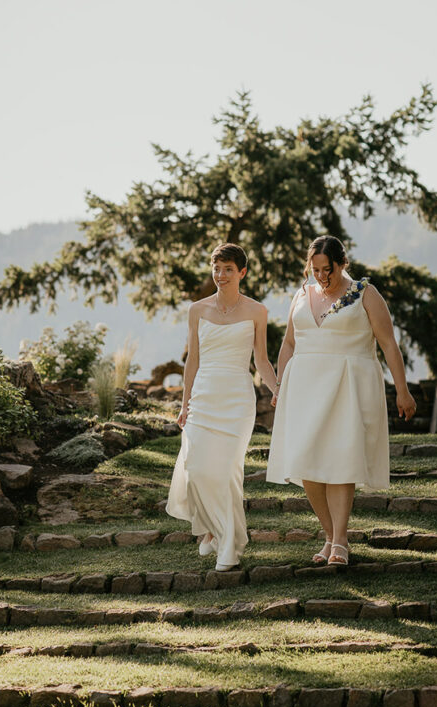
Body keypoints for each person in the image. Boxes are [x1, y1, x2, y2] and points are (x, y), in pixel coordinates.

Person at [266, 235, 416, 565]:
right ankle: (329, 535)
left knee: (340, 459)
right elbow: (288, 344)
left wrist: (402, 390)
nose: (321, 276)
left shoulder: (365, 293)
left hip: (349, 385)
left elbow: (389, 344)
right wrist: (280, 385)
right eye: (315, 269)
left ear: (342, 264)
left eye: (328, 269)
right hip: (304, 387)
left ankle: (341, 540)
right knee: (307, 462)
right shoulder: (302, 295)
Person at [166, 243, 278, 571]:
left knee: (228, 470)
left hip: (238, 400)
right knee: (198, 469)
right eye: (216, 268)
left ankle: (228, 544)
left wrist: (278, 390)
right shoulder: (197, 310)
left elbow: (261, 360)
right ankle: (212, 529)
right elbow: (193, 361)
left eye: (228, 269)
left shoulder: (257, 311)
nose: (221, 275)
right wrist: (185, 403)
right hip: (203, 397)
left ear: (242, 272)